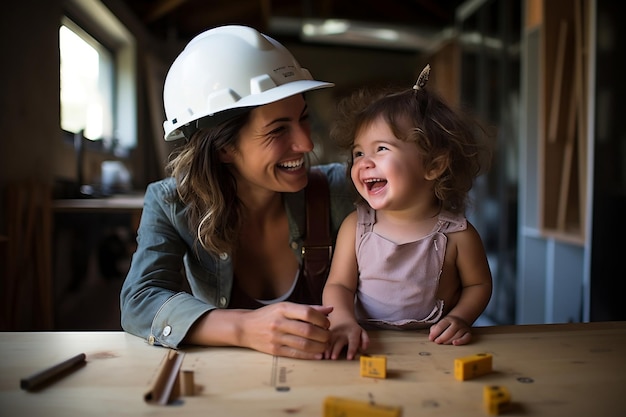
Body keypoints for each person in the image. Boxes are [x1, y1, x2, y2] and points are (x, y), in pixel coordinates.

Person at [120, 25, 356, 360]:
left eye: (303, 119)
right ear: (223, 148)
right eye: (278, 130)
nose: (306, 143)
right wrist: (244, 328)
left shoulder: (338, 189)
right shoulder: (172, 203)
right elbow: (139, 301)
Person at [322, 65, 493, 360]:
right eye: (358, 153)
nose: (364, 162)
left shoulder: (457, 234)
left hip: (434, 349)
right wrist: (342, 321)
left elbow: (479, 284)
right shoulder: (357, 226)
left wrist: (461, 318)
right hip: (365, 345)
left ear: (433, 166)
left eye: (381, 149)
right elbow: (338, 284)